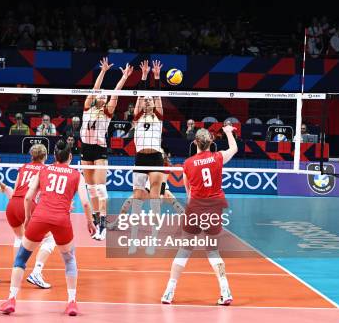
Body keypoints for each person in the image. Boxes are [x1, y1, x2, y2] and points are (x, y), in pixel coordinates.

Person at [0, 140, 96, 316]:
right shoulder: (76, 175)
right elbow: (85, 203)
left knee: (21, 257)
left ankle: (11, 299)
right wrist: (90, 222)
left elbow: (28, 197)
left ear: (54, 157)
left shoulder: (43, 170)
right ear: (70, 157)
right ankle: (72, 302)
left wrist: (28, 218)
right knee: (69, 260)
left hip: (40, 217)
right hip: (61, 220)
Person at [161, 125, 238, 306]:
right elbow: (234, 149)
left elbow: (188, 192)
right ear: (211, 142)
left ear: (195, 142)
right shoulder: (217, 157)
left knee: (184, 250)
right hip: (214, 208)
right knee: (212, 250)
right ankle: (225, 290)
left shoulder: (187, 164)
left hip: (196, 207)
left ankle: (169, 292)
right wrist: (227, 132)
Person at [81, 57, 132, 240]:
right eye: (100, 94)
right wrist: (102, 71)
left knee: (101, 188)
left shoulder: (108, 112)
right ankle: (95, 221)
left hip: (100, 150)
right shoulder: (87, 108)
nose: (102, 95)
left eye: (104, 95)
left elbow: (116, 94)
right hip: (85, 149)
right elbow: (94, 89)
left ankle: (103, 225)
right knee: (91, 189)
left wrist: (124, 77)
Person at [4, 144, 55, 289]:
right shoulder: (45, 169)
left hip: (12, 205)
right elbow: (46, 193)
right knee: (50, 238)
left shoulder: (24, 167)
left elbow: (15, 189)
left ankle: (16, 271)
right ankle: (36, 272)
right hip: (27, 205)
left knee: (20, 238)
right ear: (45, 156)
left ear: (31, 155)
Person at [130, 60, 165, 246]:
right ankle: (134, 230)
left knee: (154, 196)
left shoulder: (159, 117)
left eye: (151, 99)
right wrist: (143, 76)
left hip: (156, 158)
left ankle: (154, 231)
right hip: (140, 157)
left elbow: (158, 96)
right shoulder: (137, 116)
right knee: (137, 196)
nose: (148, 100)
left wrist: (157, 76)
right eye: (146, 99)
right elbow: (139, 96)